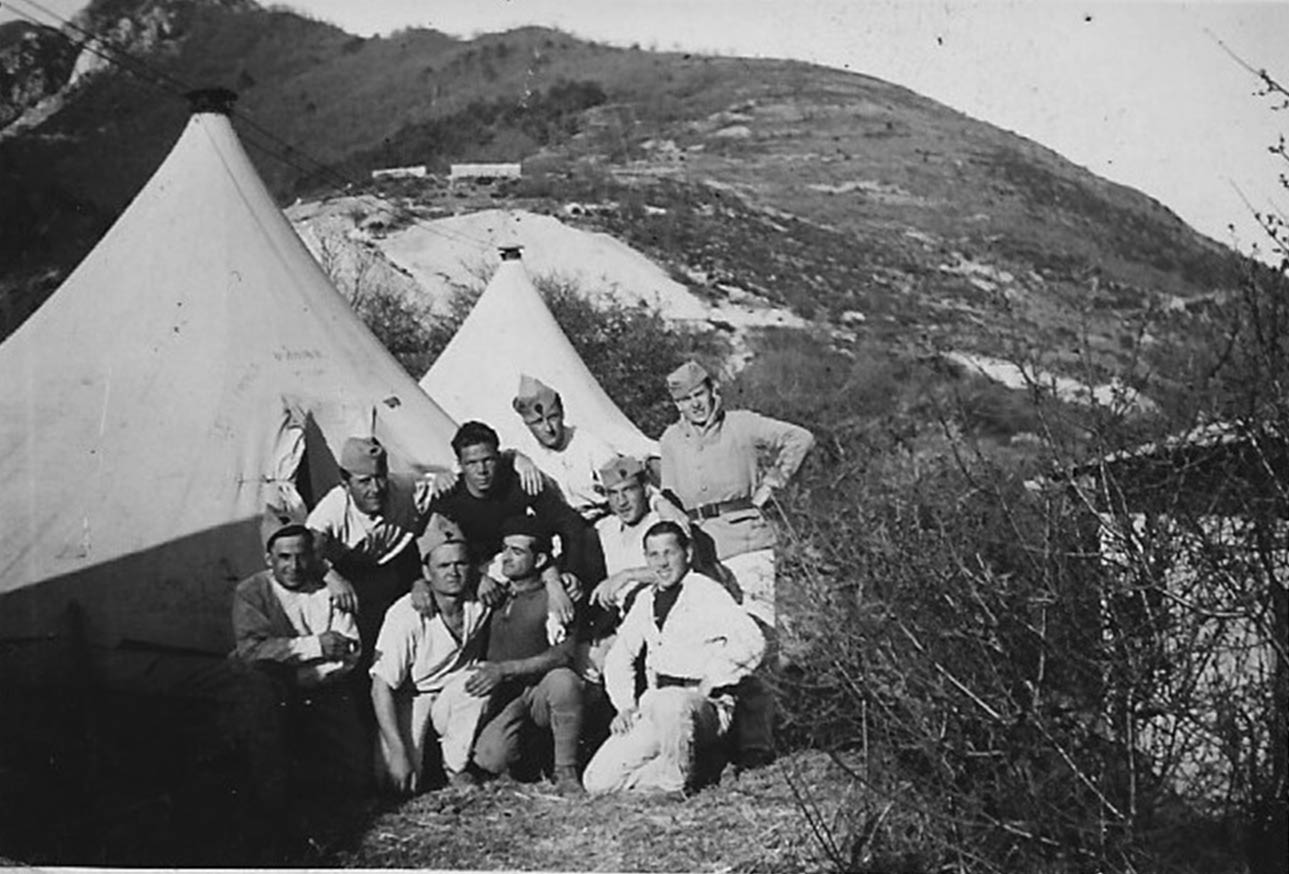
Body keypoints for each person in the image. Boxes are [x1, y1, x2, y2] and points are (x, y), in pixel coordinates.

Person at [658, 360, 815, 767]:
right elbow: (670, 495)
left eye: (699, 395)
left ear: (714, 391)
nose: (695, 405)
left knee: (757, 637)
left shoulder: (742, 424)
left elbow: (800, 438)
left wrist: (771, 485)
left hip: (747, 542)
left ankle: (756, 742)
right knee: (716, 638)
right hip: (702, 549)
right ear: (677, 405)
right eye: (685, 400)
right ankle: (719, 737)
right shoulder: (672, 440)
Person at [582, 521, 764, 796]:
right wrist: (625, 706)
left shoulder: (706, 592)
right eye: (654, 555)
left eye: (669, 553)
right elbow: (621, 655)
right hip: (656, 706)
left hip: (704, 706)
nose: (662, 563)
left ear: (687, 554)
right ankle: (695, 769)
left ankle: (674, 784)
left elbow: (752, 640)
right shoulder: (646, 599)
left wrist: (712, 679)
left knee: (672, 700)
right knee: (597, 781)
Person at [229, 517, 369, 814]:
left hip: (325, 689)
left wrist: (302, 672)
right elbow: (252, 651)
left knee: (356, 773)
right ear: (269, 559)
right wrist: (316, 646)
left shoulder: (329, 591)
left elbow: (349, 651)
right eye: (284, 557)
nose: (293, 566)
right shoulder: (251, 592)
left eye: (301, 556)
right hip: (273, 694)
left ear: (312, 557)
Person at [427, 421, 604, 623]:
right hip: (474, 576)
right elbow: (435, 552)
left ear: (498, 458)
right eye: (472, 463)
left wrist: (570, 572)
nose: (482, 470)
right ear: (459, 465)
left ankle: (592, 621)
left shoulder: (516, 483)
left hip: (523, 564)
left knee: (588, 539)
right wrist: (475, 578)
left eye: (488, 460)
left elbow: (569, 523)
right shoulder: (450, 497)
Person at [369, 515, 491, 794]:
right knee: (397, 784)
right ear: (426, 572)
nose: (453, 572)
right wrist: (398, 751)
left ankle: (455, 766)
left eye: (460, 564)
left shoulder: (479, 598)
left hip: (453, 694)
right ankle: (418, 758)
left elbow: (519, 565)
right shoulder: (406, 615)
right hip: (411, 696)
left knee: (478, 679)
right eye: (443, 565)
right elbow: (381, 687)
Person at [467, 516, 585, 796]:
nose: (506, 558)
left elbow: (564, 654)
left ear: (541, 559)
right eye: (504, 549)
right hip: (504, 696)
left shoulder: (556, 597)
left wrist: (506, 669)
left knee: (564, 682)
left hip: (540, 694)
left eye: (517, 552)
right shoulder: (494, 593)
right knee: (491, 757)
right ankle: (532, 753)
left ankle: (566, 770)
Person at [306, 436, 436, 661]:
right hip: (350, 576)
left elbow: (444, 486)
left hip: (397, 566)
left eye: (380, 478)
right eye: (364, 481)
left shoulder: (405, 487)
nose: (375, 489)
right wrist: (330, 576)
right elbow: (307, 551)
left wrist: (419, 579)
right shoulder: (333, 508)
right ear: (345, 483)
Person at [511, 374, 619, 522]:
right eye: (538, 422)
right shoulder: (527, 452)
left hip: (599, 522)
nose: (548, 428)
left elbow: (623, 488)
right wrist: (517, 457)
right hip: (554, 528)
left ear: (562, 412)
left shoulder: (590, 446)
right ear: (527, 424)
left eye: (552, 417)